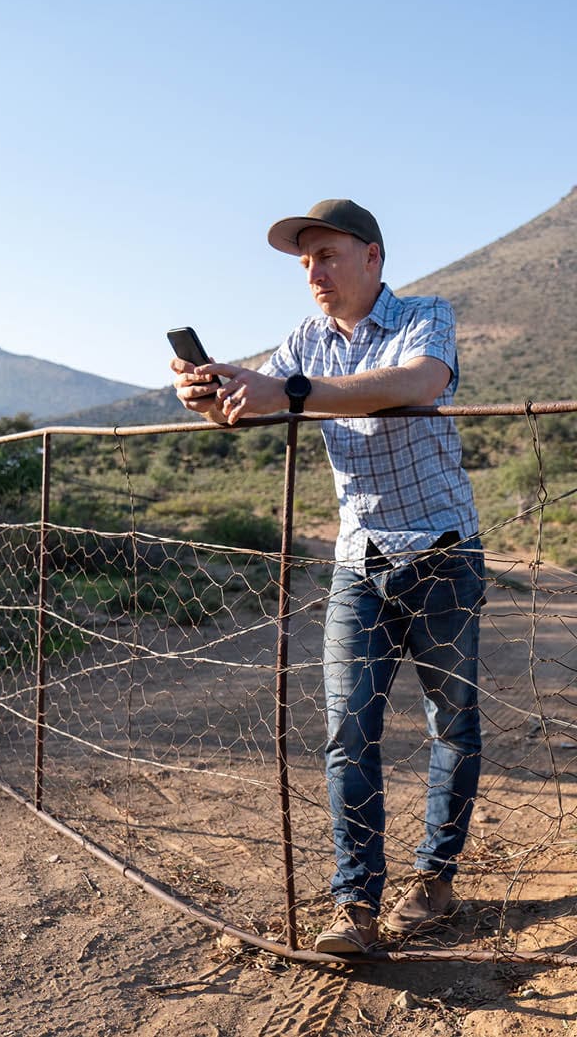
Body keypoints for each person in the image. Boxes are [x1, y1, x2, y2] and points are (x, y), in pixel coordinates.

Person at [170, 199, 485, 954]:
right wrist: (212, 397)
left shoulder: (425, 315)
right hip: (361, 560)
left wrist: (296, 392)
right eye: (305, 260)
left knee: (453, 721)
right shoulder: (304, 340)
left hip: (443, 551)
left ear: (373, 258)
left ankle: (435, 877)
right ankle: (355, 906)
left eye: (328, 255)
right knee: (347, 730)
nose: (313, 271)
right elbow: (256, 403)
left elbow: (416, 381)